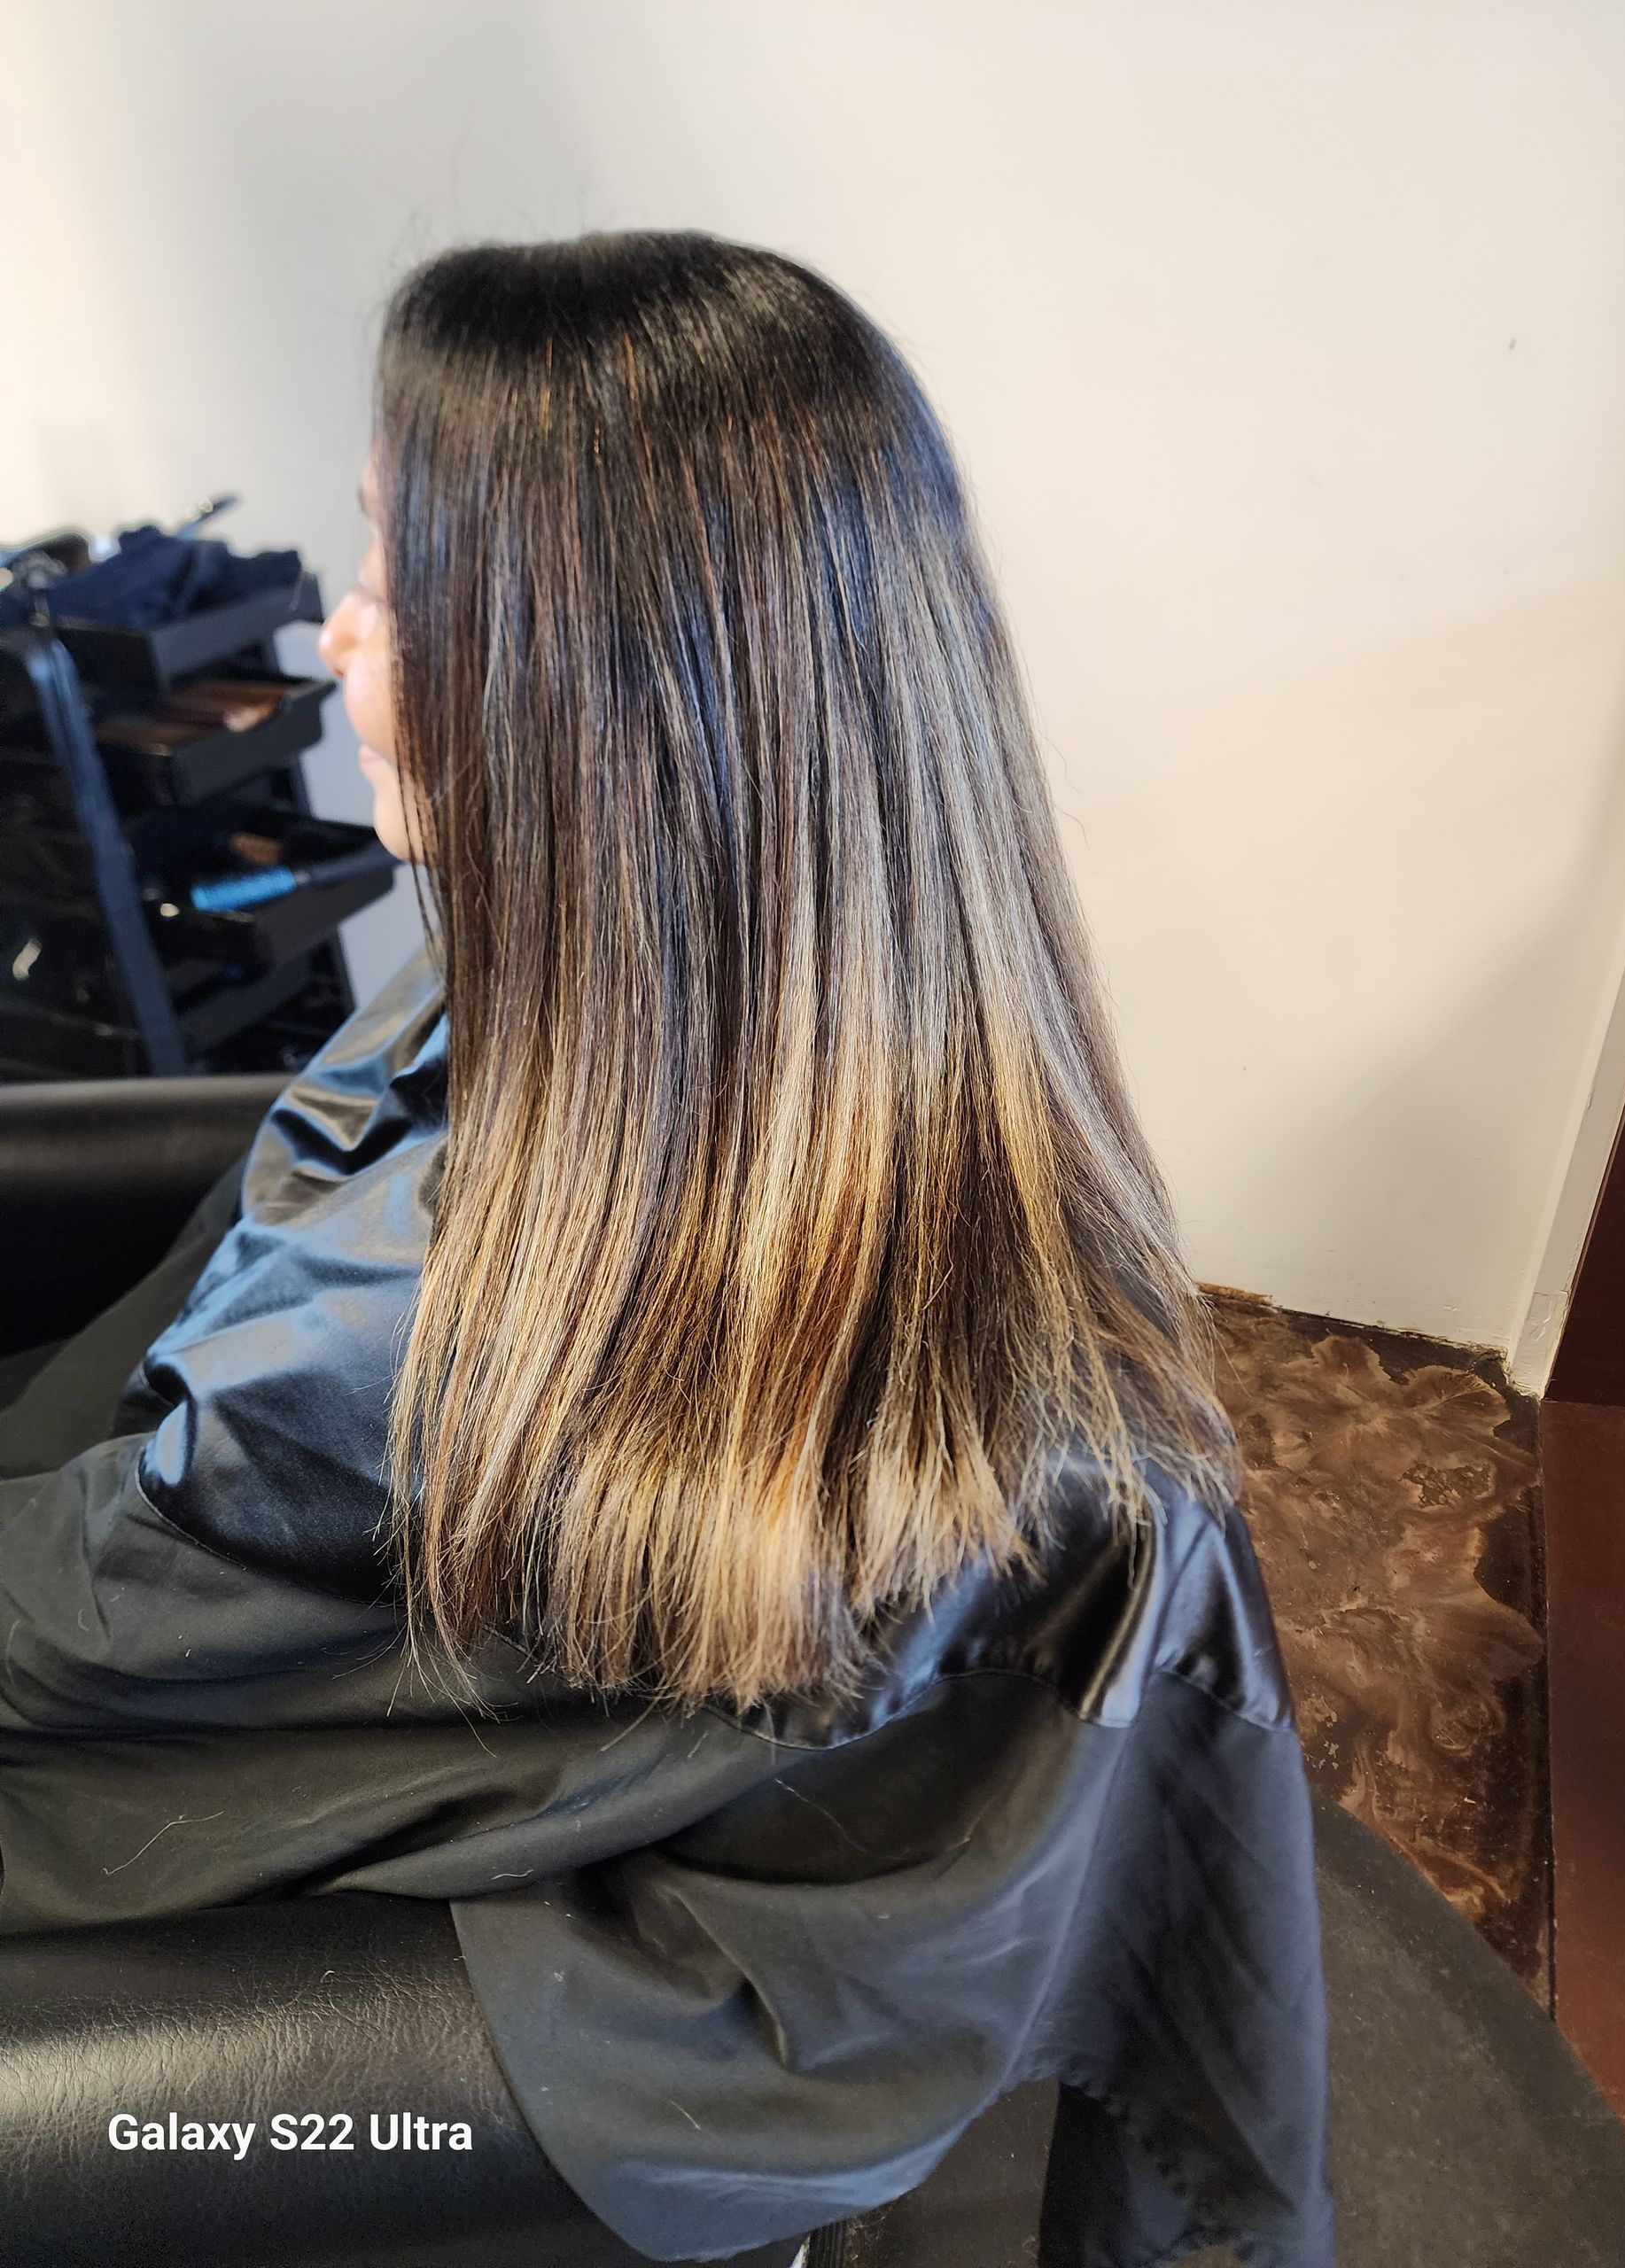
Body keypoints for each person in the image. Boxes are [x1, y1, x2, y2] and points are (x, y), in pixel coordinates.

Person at [0, 233, 1334, 2268]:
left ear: (593, 704)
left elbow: (81, 1626)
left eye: (395, 592)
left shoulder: (405, 1374)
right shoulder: (852, 1064)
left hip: (628, 2018)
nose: (344, 646)